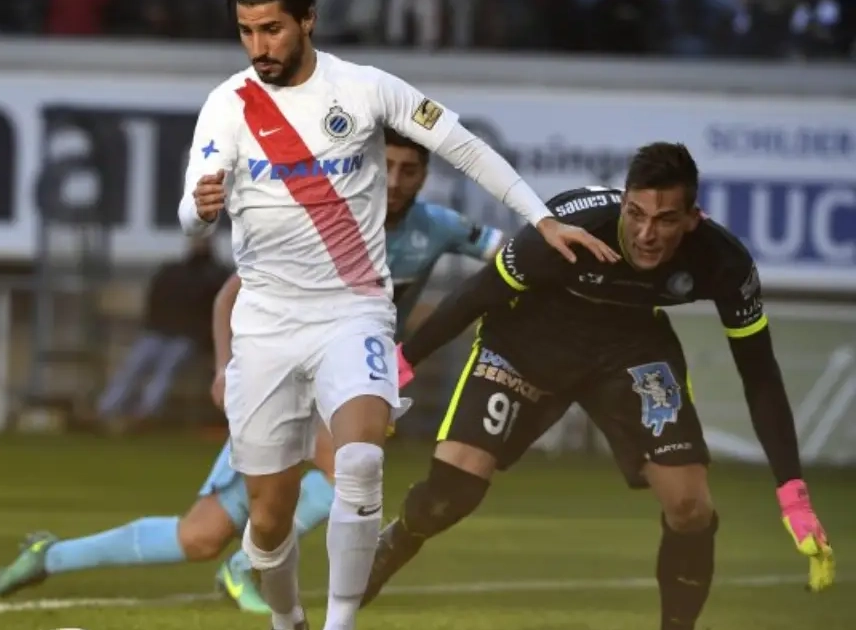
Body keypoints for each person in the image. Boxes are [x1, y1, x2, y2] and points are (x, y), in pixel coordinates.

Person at [181, 1, 617, 628]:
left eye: (271, 29)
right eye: (247, 31)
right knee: (268, 519)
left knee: (360, 462)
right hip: (266, 325)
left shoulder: (366, 88)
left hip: (352, 310)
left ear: (308, 20)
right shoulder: (229, 104)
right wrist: (199, 209)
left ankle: (340, 623)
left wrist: (541, 219)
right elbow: (191, 214)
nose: (259, 46)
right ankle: (287, 618)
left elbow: (464, 147)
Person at [0, 130, 506, 613]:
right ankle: (68, 557)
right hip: (281, 371)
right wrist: (224, 367)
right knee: (210, 532)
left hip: (345, 376)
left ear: (424, 176)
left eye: (409, 170)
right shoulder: (320, 219)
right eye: (385, 166)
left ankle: (71, 558)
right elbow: (230, 294)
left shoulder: (437, 228)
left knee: (323, 482)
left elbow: (509, 251)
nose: (394, 181)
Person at [362, 142, 836, 629]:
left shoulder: (724, 261)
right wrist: (398, 368)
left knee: (690, 507)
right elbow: (477, 294)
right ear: (624, 201)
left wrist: (793, 494)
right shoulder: (572, 227)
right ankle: (398, 539)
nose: (646, 234)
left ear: (693, 219)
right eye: (636, 214)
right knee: (452, 494)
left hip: (631, 349)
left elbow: (759, 373)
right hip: (530, 338)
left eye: (665, 220)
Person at [94, 236, 231, 433]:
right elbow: (155, 300)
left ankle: (145, 414)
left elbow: (217, 312)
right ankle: (106, 410)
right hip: (158, 331)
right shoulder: (173, 271)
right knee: (133, 366)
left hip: (188, 336)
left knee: (165, 369)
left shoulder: (216, 275)